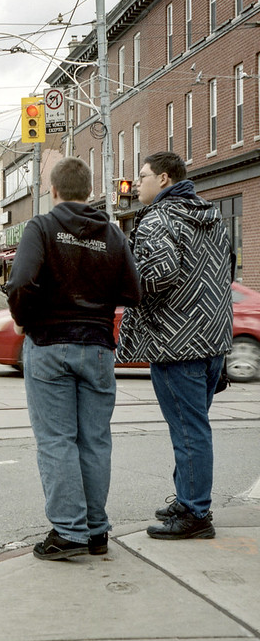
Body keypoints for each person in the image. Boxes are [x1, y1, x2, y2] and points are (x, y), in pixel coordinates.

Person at [6, 157, 141, 560]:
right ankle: (96, 530)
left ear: (54, 190)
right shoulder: (113, 234)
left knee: (56, 440)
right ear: (89, 190)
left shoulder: (42, 227)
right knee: (95, 440)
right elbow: (133, 293)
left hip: (49, 343)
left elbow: (21, 282)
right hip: (98, 345)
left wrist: (23, 321)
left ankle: (69, 532)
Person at [117, 152, 233, 541]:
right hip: (213, 340)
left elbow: (160, 273)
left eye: (143, 176)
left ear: (164, 179)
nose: (137, 183)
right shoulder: (211, 216)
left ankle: (196, 513)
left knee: (188, 431)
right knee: (193, 428)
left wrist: (126, 284)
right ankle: (188, 499)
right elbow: (227, 271)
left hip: (175, 342)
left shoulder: (159, 218)